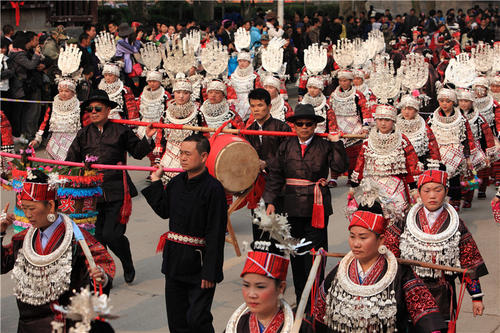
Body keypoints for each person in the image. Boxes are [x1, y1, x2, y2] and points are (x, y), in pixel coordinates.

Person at [1, 169, 115, 332]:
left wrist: (101, 278)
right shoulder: (23, 239)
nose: (27, 215)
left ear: (51, 205)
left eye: (32, 208)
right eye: (24, 208)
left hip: (65, 324)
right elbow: (2, 264)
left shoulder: (76, 239)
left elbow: (102, 265)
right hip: (29, 326)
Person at [66, 90, 155, 284]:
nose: (94, 112)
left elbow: (138, 153)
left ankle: (127, 262)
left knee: (112, 235)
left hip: (116, 191)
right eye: (90, 109)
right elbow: (70, 161)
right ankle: (105, 275)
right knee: (98, 238)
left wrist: (147, 138)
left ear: (108, 110)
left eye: (98, 108)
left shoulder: (120, 131)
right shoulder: (83, 134)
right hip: (91, 192)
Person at [312, 205, 447, 332]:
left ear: (381, 240)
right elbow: (319, 312)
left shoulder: (400, 273)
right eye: (352, 237)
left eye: (363, 237)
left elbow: (424, 310)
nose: (356, 244)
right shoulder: (341, 271)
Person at [142, 134, 228, 333]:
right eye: (181, 153)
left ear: (204, 156)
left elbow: (215, 234)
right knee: (177, 321)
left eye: (188, 154)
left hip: (199, 265)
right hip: (174, 262)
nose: (182, 157)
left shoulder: (213, 189)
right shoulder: (176, 183)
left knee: (198, 320)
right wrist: (156, 184)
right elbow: (164, 211)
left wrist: (210, 271)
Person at [263, 104, 347, 304]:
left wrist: (337, 144)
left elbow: (340, 167)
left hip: (316, 206)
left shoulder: (325, 145)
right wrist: (270, 201)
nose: (304, 127)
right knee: (296, 254)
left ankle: (316, 298)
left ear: (315, 126)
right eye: (299, 124)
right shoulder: (286, 146)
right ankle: (301, 298)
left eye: (309, 124)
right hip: (291, 207)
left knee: (316, 253)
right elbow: (275, 174)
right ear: (294, 126)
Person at [385, 170, 488, 322]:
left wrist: (476, 296)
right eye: (426, 190)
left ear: (446, 191)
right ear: (419, 193)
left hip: (443, 293)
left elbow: (469, 259)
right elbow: (389, 254)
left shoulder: (455, 224)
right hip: (411, 290)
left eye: (438, 190)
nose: (432, 196)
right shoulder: (406, 221)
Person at [244, 88, 291, 238]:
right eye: (252, 106)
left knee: (278, 232)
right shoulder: (249, 130)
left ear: (269, 107)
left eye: (260, 105)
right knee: (259, 233)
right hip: (258, 185)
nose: (256, 109)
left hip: (279, 185)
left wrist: (267, 163)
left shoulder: (282, 128)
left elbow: (289, 155)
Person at [427, 86, 475, 211]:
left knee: (454, 179)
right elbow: (427, 136)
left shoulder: (461, 119)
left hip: (456, 152)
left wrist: (467, 156)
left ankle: (455, 202)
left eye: (447, 101)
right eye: (441, 101)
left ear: (453, 102)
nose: (444, 104)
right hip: (438, 153)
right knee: (439, 177)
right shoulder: (432, 118)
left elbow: (466, 138)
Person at [159, 75, 203, 183]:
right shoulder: (166, 114)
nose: (181, 96)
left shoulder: (197, 114)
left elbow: (203, 137)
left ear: (190, 94)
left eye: (185, 93)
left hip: (190, 156)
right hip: (169, 155)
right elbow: (161, 136)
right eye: (178, 92)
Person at [328, 69, 370, 182]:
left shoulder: (358, 95)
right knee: (336, 154)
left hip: (354, 127)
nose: (343, 83)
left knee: (353, 155)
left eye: (345, 80)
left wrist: (365, 127)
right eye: (341, 81)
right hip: (338, 125)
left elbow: (365, 110)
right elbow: (330, 111)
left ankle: (352, 176)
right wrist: (331, 127)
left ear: (351, 81)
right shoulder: (333, 95)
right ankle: (334, 178)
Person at [458, 88, 497, 207]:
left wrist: (487, 151)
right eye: (461, 101)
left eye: (466, 101)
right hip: (458, 148)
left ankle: (468, 198)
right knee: (458, 175)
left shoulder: (478, 117)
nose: (463, 103)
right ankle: (459, 196)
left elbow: (486, 135)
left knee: (471, 173)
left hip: (475, 147)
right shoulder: (455, 116)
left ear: (472, 102)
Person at [396, 94, 442, 171]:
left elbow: (432, 144)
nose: (406, 112)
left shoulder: (423, 126)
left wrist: (435, 161)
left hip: (420, 162)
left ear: (416, 110)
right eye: (404, 109)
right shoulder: (395, 125)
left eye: (410, 109)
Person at [136, 70, 172, 168]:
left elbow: (169, 109)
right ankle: (152, 166)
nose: (152, 83)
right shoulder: (143, 94)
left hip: (159, 124)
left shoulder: (165, 95)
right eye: (150, 81)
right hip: (145, 123)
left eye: (155, 81)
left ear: (160, 82)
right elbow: (138, 106)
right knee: (147, 146)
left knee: (158, 149)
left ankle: (156, 168)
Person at [229, 51, 262, 121]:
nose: (242, 63)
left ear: (249, 62)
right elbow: (230, 91)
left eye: (244, 61)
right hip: (235, 102)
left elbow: (259, 92)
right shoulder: (232, 76)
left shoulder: (254, 76)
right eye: (240, 61)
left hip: (250, 102)